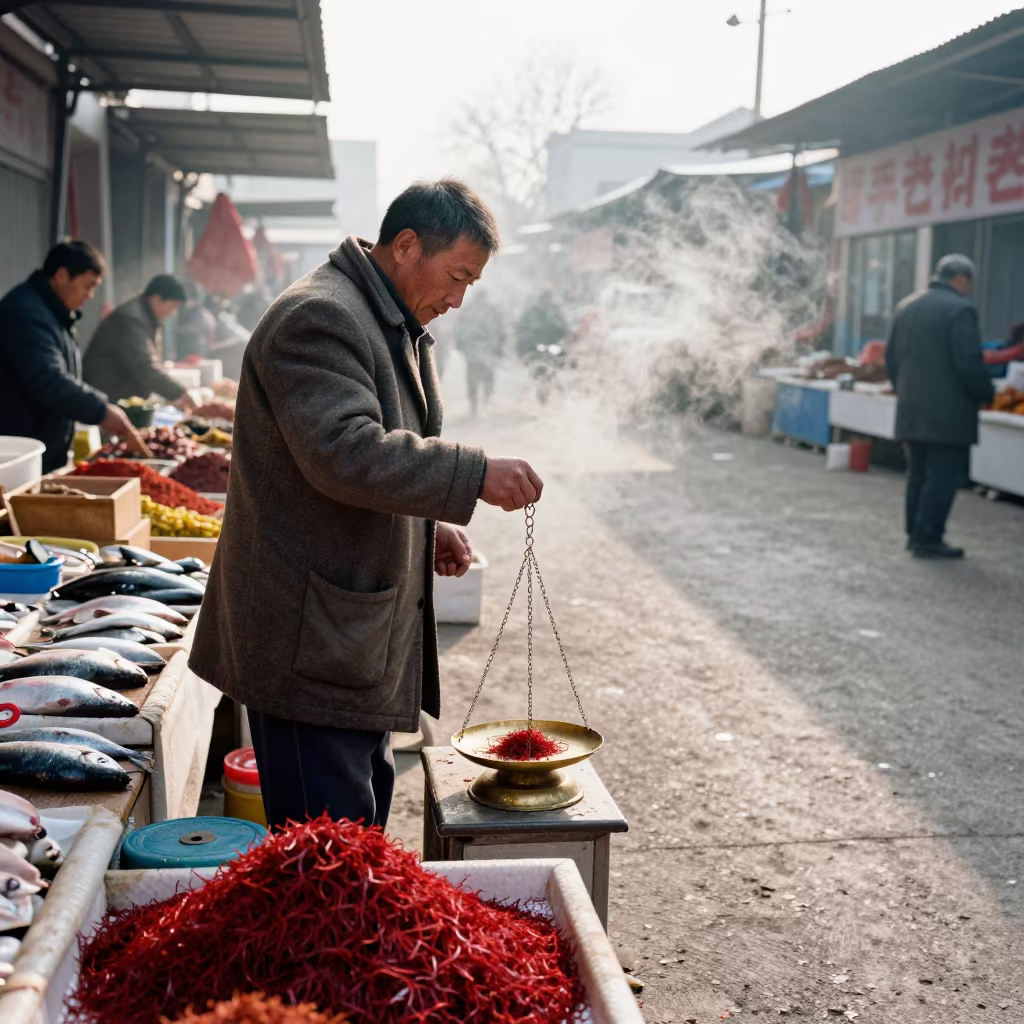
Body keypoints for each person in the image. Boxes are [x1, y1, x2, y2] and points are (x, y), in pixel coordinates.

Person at [189, 179, 544, 830]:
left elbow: (389, 446)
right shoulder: (319, 316)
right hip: (309, 642)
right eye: (457, 276)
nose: (459, 300)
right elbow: (343, 450)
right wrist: (470, 476)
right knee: (324, 859)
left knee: (361, 830)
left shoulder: (390, 318)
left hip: (353, 639)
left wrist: (426, 524)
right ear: (406, 245)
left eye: (472, 285)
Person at [0, 240, 149, 473]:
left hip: (46, 449)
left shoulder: (56, 314)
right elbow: (48, 378)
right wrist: (101, 410)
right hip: (21, 455)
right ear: (61, 276)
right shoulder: (26, 314)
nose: (90, 296)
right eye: (87, 286)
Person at [886, 254, 995, 559]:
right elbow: (968, 363)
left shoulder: (906, 306)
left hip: (911, 409)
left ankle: (914, 534)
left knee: (918, 474)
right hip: (948, 415)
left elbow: (891, 358)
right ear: (962, 279)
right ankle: (929, 538)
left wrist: (903, 391)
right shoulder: (960, 310)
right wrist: (986, 392)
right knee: (941, 477)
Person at [83, 274, 196, 411]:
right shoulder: (132, 320)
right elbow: (145, 366)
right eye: (172, 307)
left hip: (119, 397)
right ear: (157, 298)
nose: (172, 313)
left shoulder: (147, 316)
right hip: (108, 397)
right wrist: (179, 393)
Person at [456, 288, 504, 416]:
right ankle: (479, 404)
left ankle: (479, 404)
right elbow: (500, 331)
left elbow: (460, 331)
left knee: (477, 378)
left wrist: (461, 345)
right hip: (481, 349)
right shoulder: (490, 311)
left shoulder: (471, 311)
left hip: (479, 350)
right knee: (482, 377)